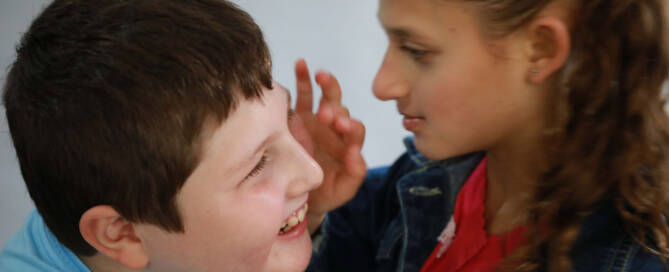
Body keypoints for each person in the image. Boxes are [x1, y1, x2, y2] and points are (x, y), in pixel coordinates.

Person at [300, 0, 669, 271]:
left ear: (541, 48)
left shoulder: (635, 260)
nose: (382, 85)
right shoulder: (405, 189)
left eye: (416, 51)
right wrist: (308, 206)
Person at [0, 0, 364, 271]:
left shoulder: (132, 202)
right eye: (257, 165)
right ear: (122, 233)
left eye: (286, 118)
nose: (312, 172)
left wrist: (305, 214)